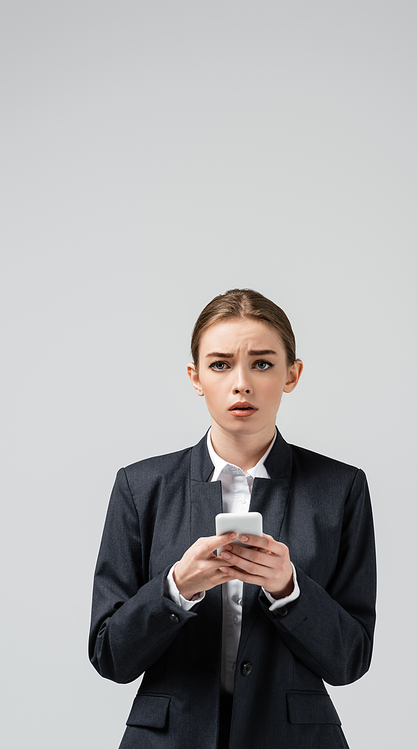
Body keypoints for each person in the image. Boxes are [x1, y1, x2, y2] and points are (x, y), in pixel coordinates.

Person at [89, 288, 376, 749]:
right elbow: (110, 656)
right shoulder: (140, 487)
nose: (241, 383)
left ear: (292, 374)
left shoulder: (339, 488)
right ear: (196, 376)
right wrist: (175, 589)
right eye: (220, 364)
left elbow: (351, 660)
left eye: (262, 363)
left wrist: (289, 590)